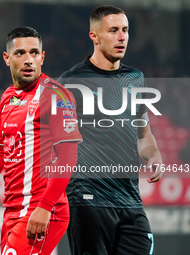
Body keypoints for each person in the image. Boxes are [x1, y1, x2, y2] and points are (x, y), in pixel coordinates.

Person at [0, 26, 82, 255]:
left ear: (42, 57)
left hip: (40, 209)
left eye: (34, 53)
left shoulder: (57, 96)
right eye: (20, 53)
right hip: (12, 211)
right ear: (7, 58)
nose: (28, 59)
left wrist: (45, 207)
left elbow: (68, 155)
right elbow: (1, 151)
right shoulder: (8, 97)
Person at [58, 5, 163, 255]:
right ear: (94, 36)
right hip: (87, 197)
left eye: (125, 30)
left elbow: (143, 133)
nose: (122, 37)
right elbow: (56, 143)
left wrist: (154, 154)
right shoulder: (70, 82)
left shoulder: (135, 79)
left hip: (129, 199)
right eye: (113, 30)